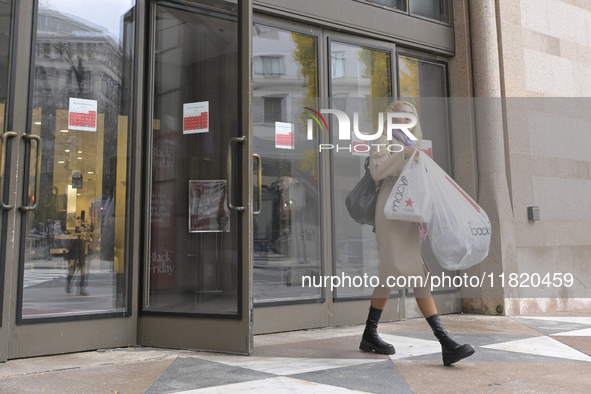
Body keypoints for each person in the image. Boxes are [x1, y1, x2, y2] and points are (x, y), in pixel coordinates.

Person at [359, 100, 475, 366]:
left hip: (409, 213)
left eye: (410, 115)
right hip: (390, 211)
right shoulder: (384, 139)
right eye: (400, 115)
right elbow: (377, 171)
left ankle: (370, 333)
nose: (406, 119)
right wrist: (404, 154)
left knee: (393, 273)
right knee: (409, 272)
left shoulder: (415, 143)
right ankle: (445, 342)